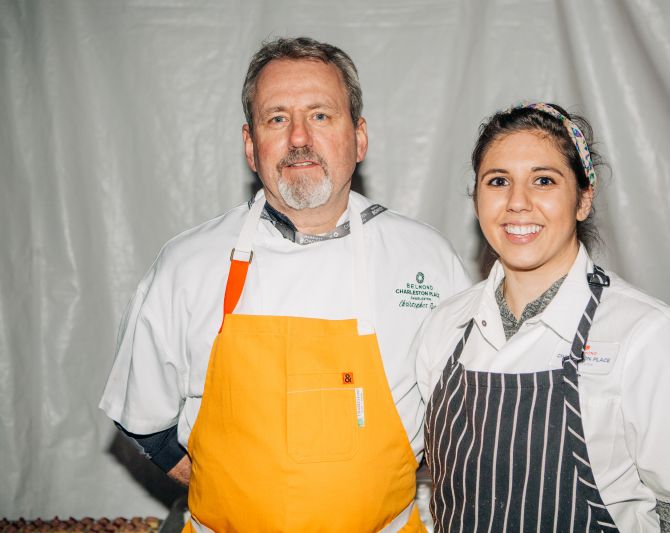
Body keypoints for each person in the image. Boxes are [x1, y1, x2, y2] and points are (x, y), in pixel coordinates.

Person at [99, 36, 472, 532]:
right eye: (277, 118)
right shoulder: (188, 264)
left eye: (321, 115)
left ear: (359, 137)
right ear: (251, 145)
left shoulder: (426, 260)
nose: (299, 138)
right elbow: (140, 412)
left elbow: (470, 416)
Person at [413, 102, 670, 531]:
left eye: (543, 180)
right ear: (476, 198)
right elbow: (435, 488)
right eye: (498, 181)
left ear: (584, 199)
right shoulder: (444, 327)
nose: (517, 202)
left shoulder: (648, 335)